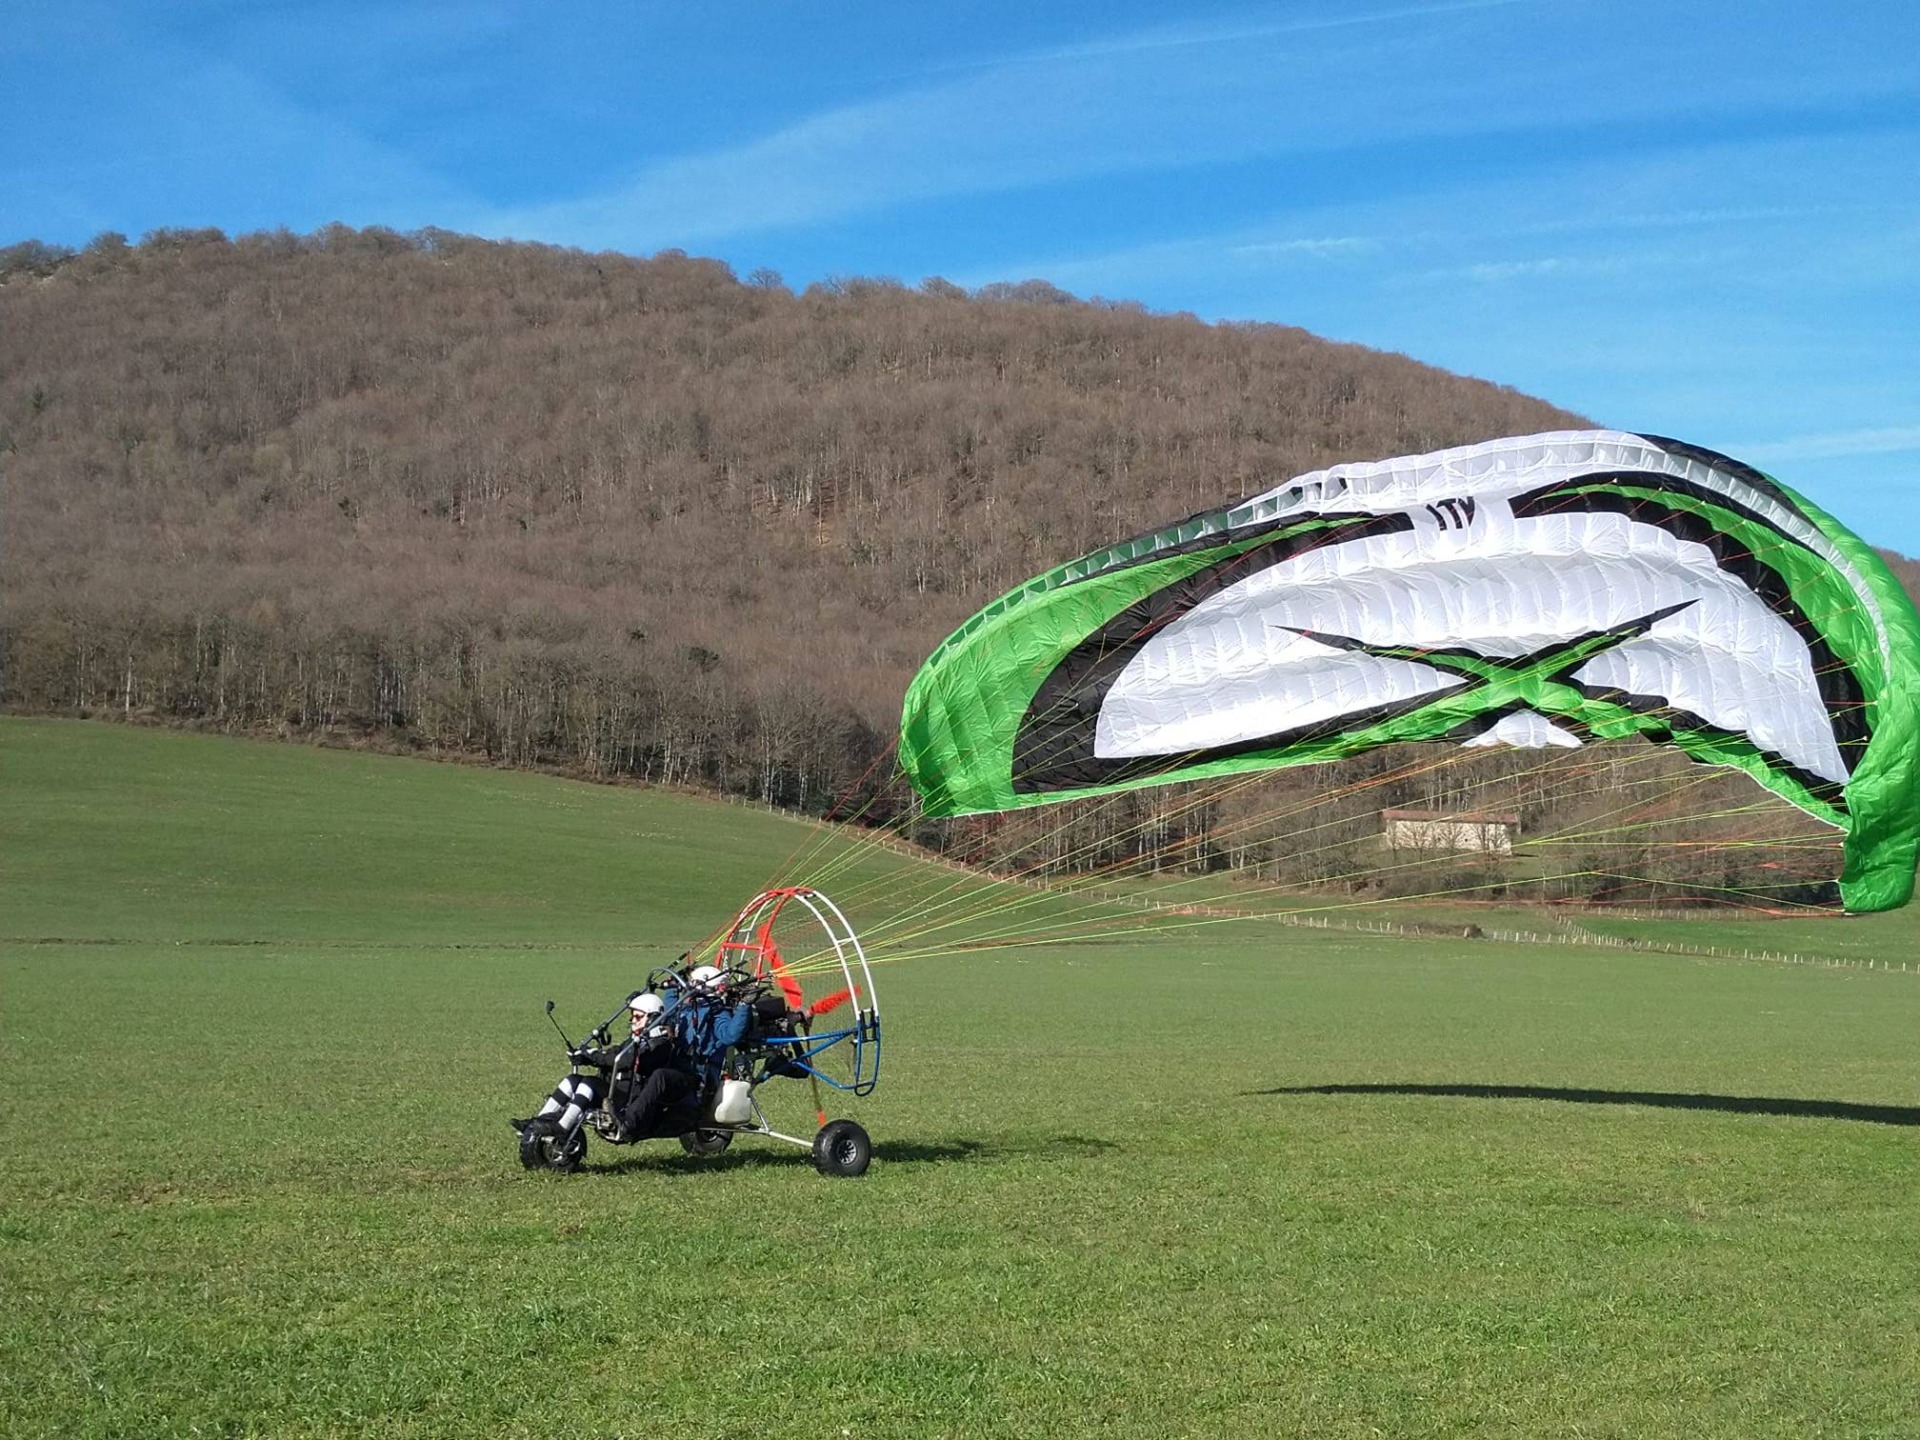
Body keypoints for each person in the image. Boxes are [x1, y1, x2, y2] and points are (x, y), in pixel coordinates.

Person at [512, 991, 673, 1144]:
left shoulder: (659, 1045)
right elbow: (614, 1053)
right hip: (616, 1090)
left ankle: (562, 1128)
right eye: (632, 1016)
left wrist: (593, 1056)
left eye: (638, 1016)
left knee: (589, 1083)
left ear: (653, 1018)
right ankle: (537, 1123)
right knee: (572, 1080)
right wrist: (584, 1055)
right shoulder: (635, 1040)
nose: (633, 1020)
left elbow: (625, 1060)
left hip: (627, 1099)